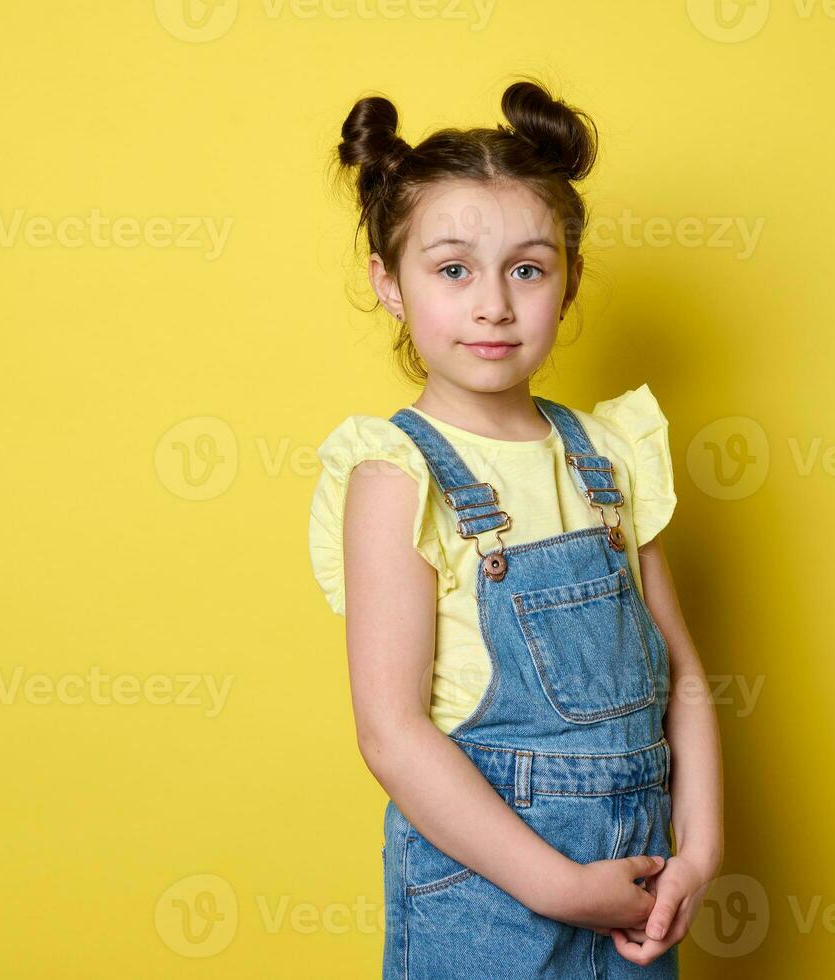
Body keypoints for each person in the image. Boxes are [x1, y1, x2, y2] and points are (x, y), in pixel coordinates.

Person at [307, 76, 724, 979]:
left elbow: (681, 674)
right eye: (452, 270)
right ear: (388, 282)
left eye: (526, 269)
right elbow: (392, 731)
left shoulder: (607, 457)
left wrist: (699, 850)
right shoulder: (397, 475)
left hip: (637, 887)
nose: (492, 303)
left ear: (567, 282)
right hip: (486, 896)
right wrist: (554, 886)